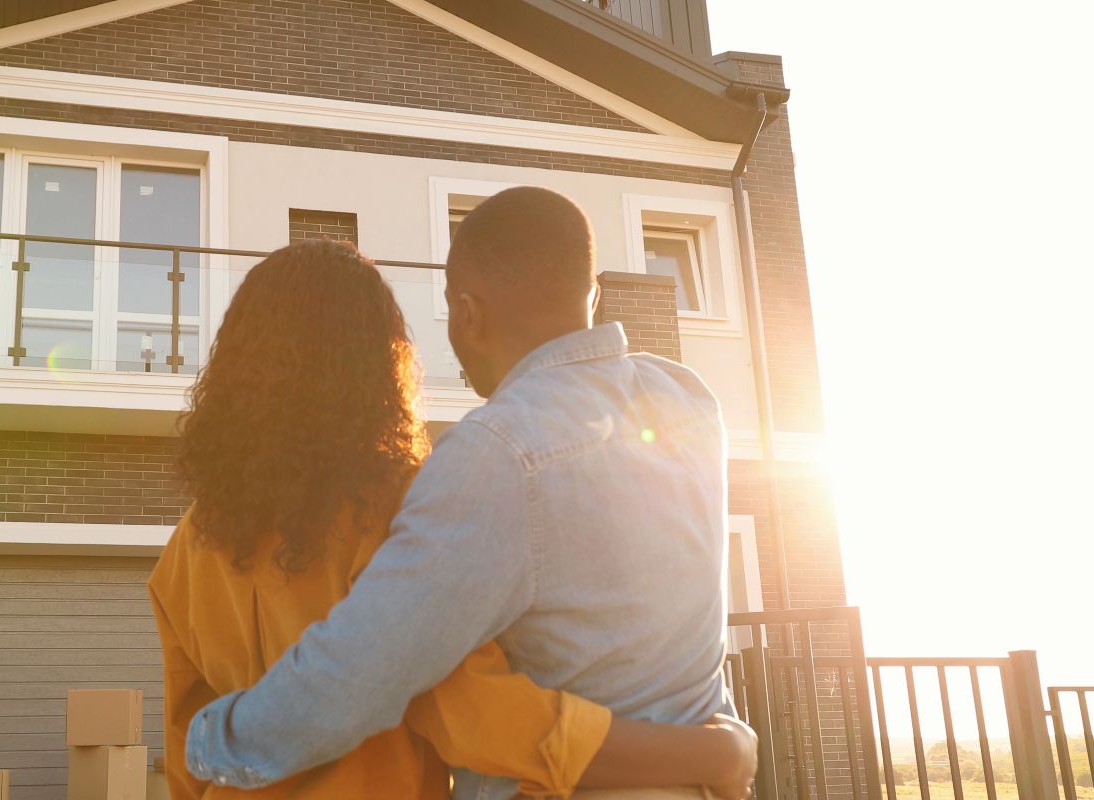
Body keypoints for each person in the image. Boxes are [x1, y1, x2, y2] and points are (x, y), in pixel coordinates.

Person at [181, 188, 736, 800]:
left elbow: (351, 676)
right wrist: (715, 749)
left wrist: (206, 747)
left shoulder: (183, 554)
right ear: (593, 294)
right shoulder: (690, 403)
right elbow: (459, 707)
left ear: (468, 313)